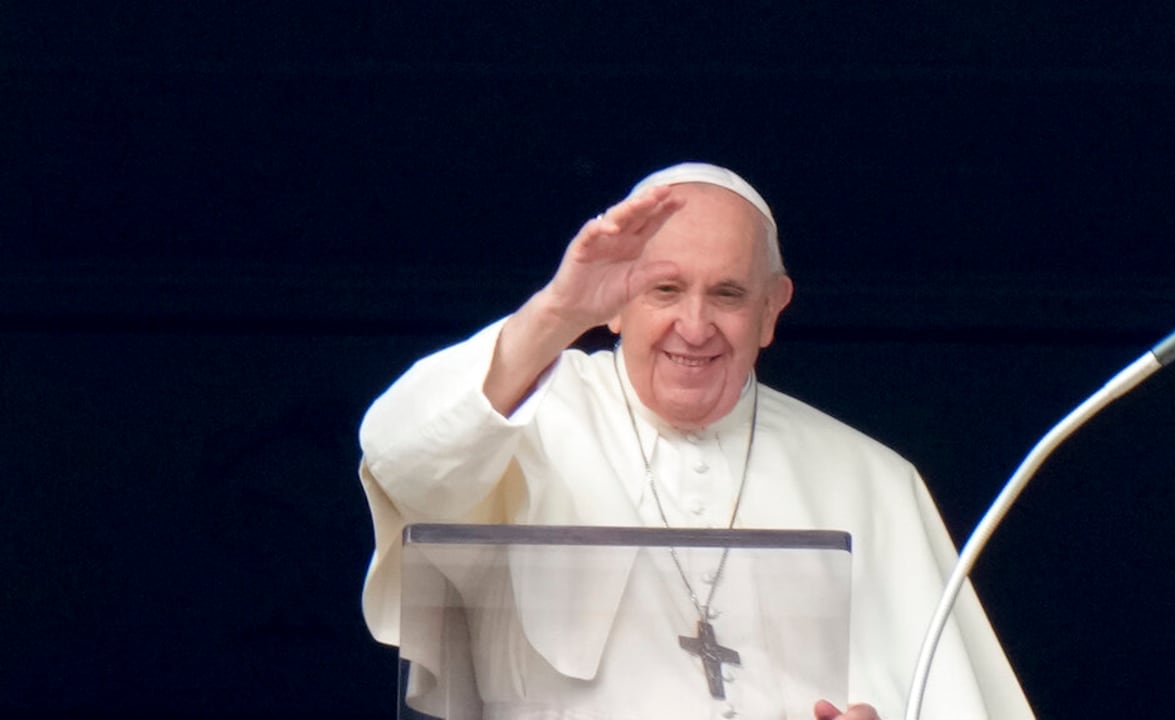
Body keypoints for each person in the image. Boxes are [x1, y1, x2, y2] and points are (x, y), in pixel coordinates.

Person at [358, 162, 1034, 719]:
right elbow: (402, 458)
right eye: (665, 289)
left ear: (772, 310)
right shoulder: (526, 420)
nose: (695, 324)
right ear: (616, 303)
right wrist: (558, 313)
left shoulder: (870, 480)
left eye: (729, 294)